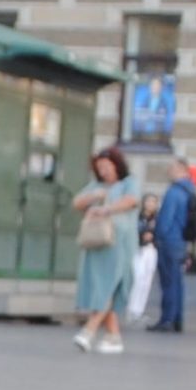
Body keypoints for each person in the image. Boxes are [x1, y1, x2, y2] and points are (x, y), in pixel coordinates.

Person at [70, 147, 141, 355]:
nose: (103, 171)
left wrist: (107, 209)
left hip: (119, 245)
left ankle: (89, 331)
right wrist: (95, 196)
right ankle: (113, 336)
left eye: (106, 166)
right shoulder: (96, 185)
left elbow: (132, 200)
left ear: (116, 165)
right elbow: (77, 202)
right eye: (99, 167)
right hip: (98, 244)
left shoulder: (129, 182)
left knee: (108, 286)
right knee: (101, 286)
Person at [148, 165, 196, 333]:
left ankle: (167, 319)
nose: (169, 171)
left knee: (168, 282)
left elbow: (165, 220)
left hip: (169, 242)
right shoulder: (189, 191)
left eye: (173, 168)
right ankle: (177, 319)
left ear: (182, 171)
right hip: (180, 241)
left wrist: (157, 237)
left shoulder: (174, 192)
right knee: (177, 282)